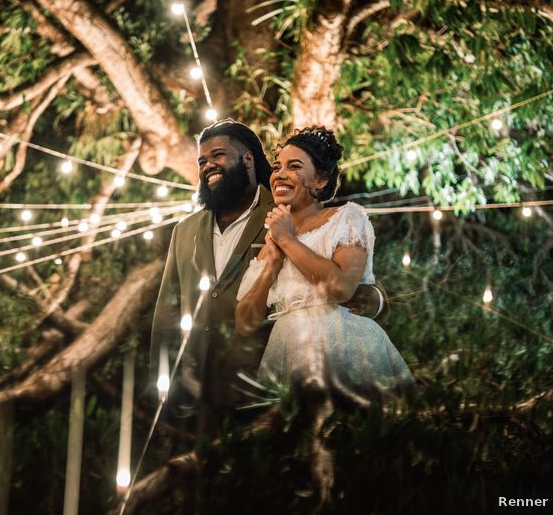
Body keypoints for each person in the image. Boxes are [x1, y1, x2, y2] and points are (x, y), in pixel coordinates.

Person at [150, 120, 386, 434]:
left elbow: (356, 285)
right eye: (202, 161)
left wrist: (372, 299)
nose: (208, 166)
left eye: (218, 155)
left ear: (248, 159)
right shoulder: (184, 231)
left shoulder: (284, 215)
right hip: (198, 390)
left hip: (266, 384)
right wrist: (164, 384)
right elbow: (168, 312)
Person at [235, 126, 415, 407]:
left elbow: (341, 288)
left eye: (294, 166)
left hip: (347, 348)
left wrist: (287, 239)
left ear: (321, 180)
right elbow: (244, 322)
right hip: (288, 353)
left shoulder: (346, 218)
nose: (280, 174)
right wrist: (271, 263)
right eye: (276, 167)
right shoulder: (272, 241)